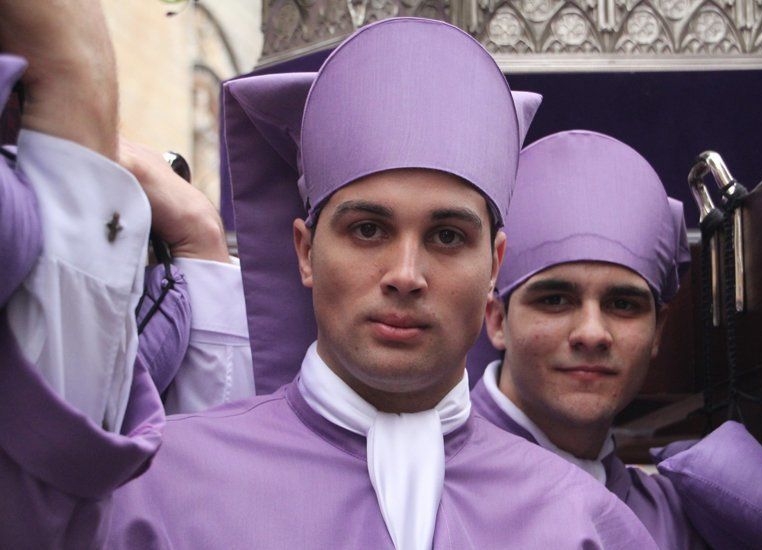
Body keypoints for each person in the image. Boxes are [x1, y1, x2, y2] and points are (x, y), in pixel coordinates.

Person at [0, 5, 657, 548]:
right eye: (368, 229)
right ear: (306, 252)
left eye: (447, 237)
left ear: (496, 266)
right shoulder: (150, 492)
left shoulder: (584, 523)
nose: (405, 274)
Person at [468, 130, 705, 548]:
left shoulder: (678, 518)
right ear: (497, 320)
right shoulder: (424, 485)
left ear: (658, 332)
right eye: (556, 300)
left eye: (623, 305)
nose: (593, 333)